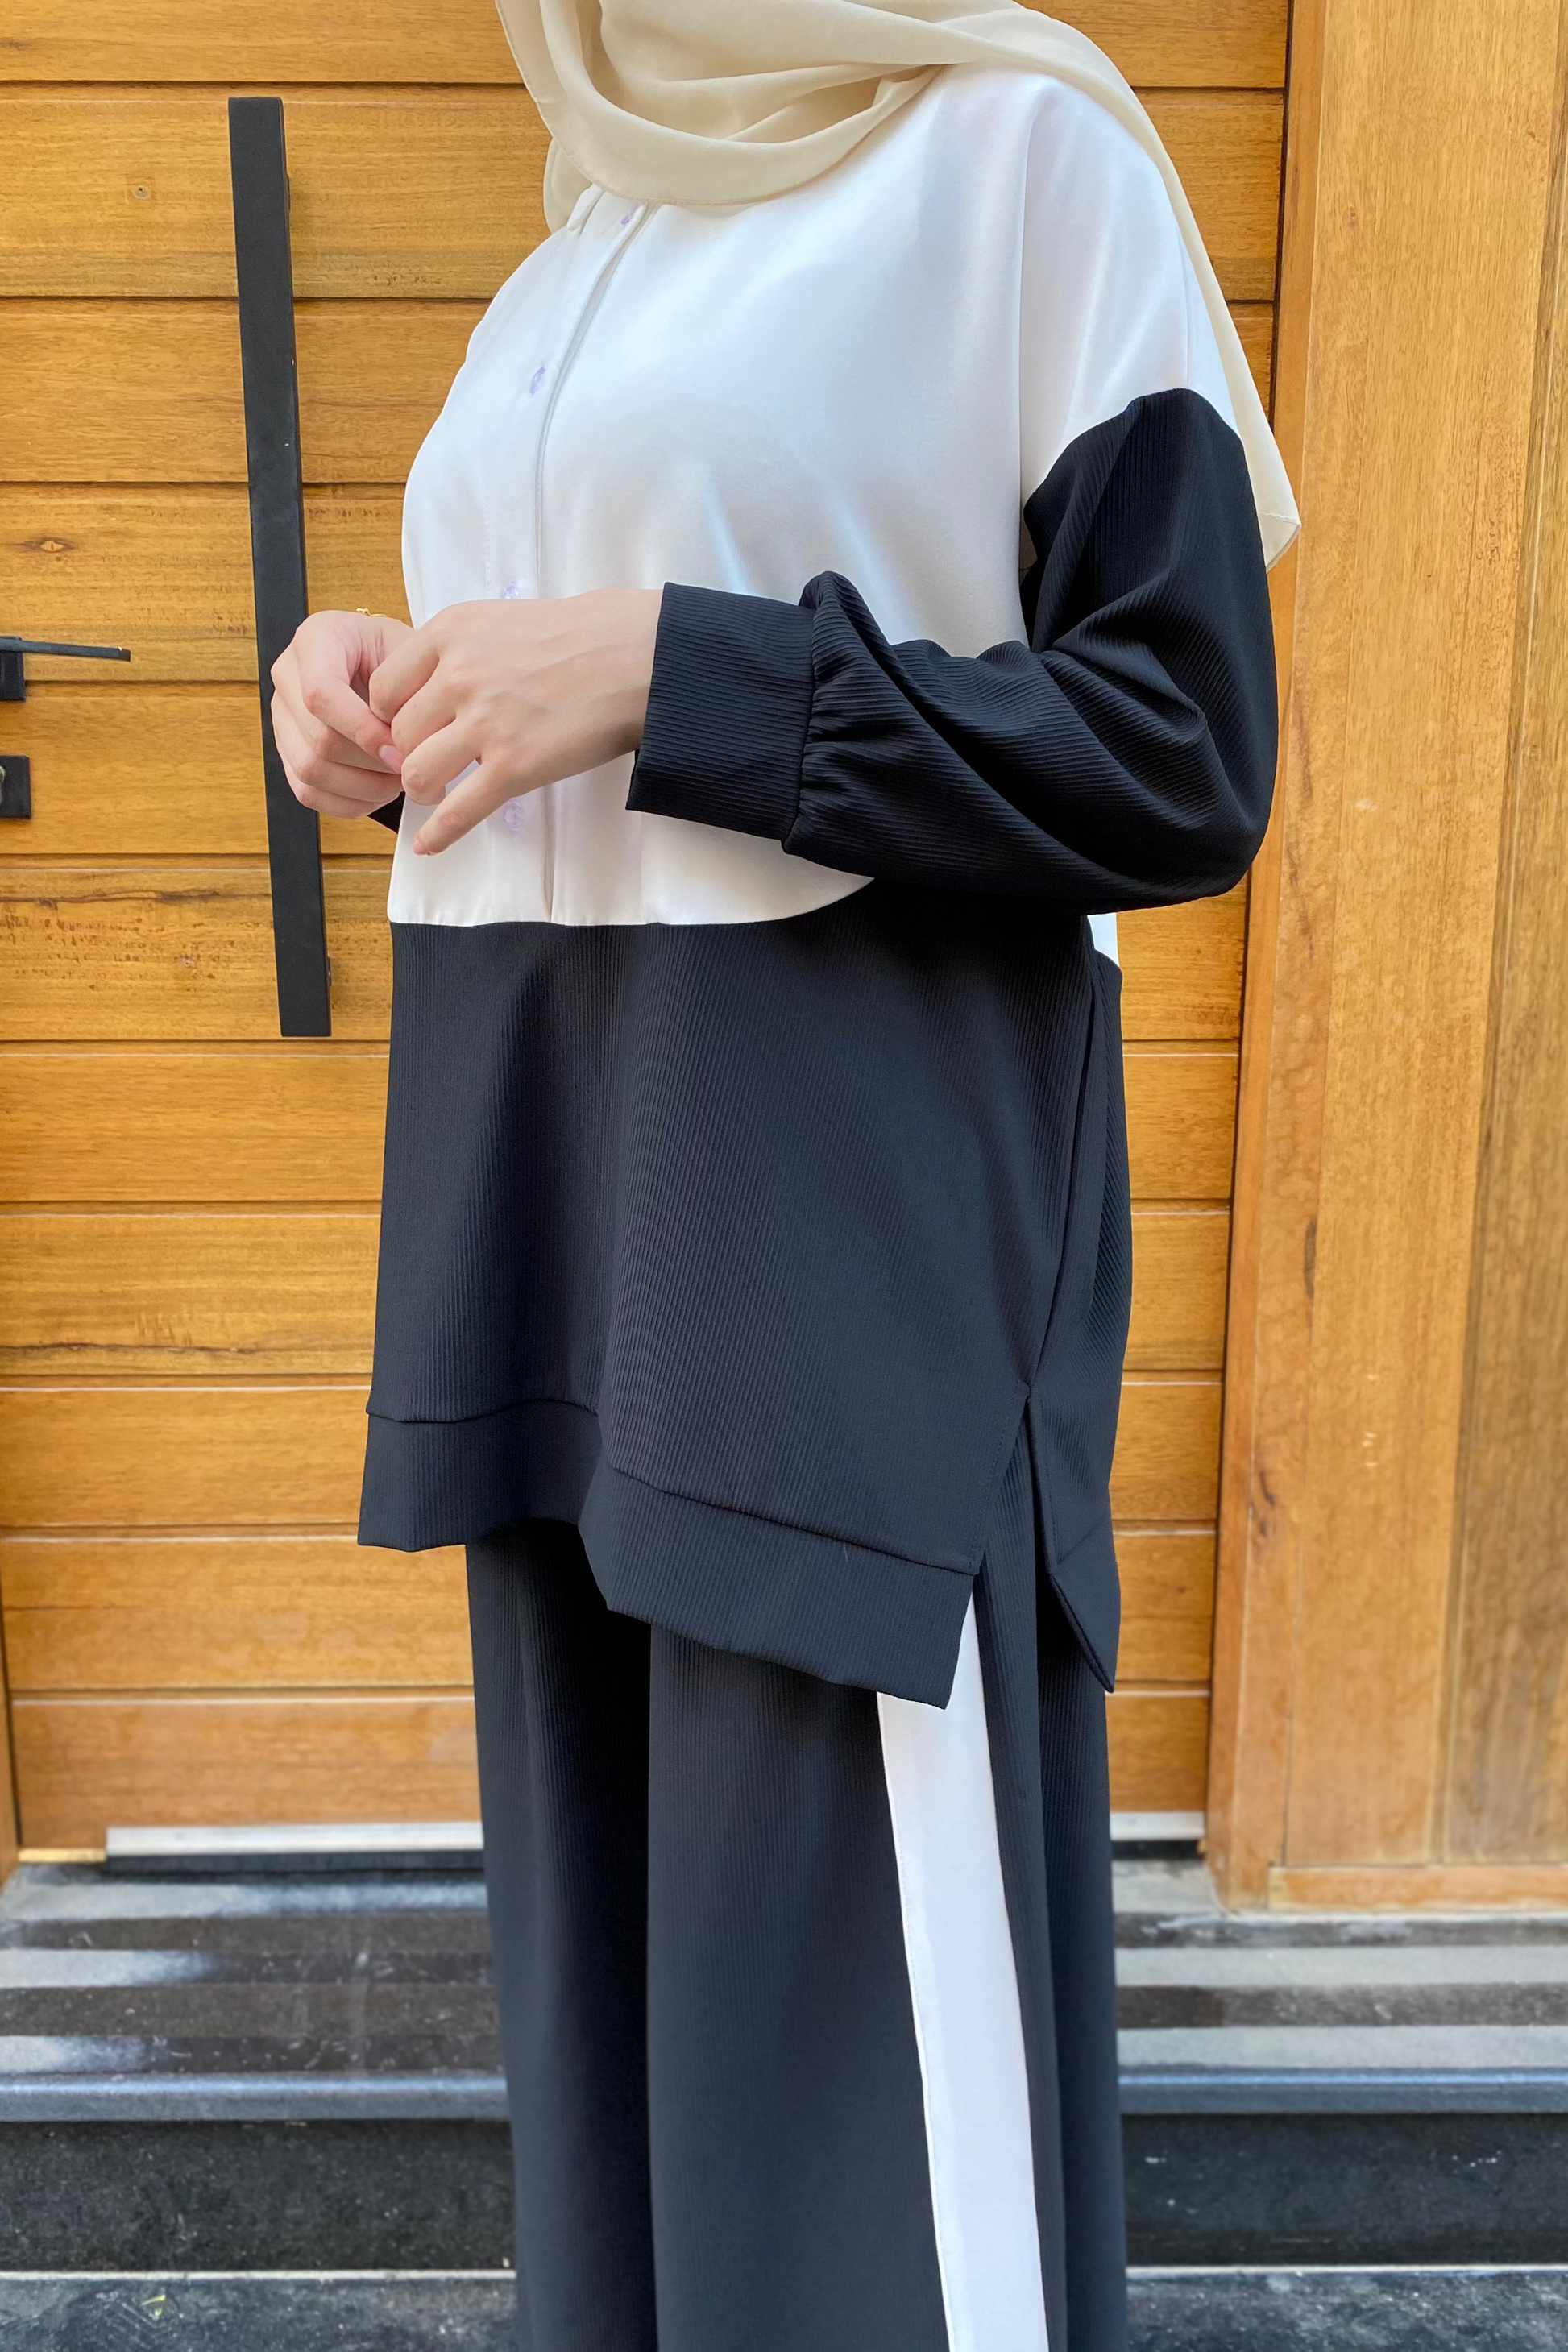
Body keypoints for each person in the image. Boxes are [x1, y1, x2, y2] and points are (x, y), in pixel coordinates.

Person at [270, 2, 1296, 2344]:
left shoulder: (1021, 156)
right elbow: (587, 664)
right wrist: (368, 685)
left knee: (862, 2187)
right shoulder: (596, 217)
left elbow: (1182, 743)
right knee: (634, 2165)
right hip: (553, 1226)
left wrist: (664, 663)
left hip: (832, 1272)